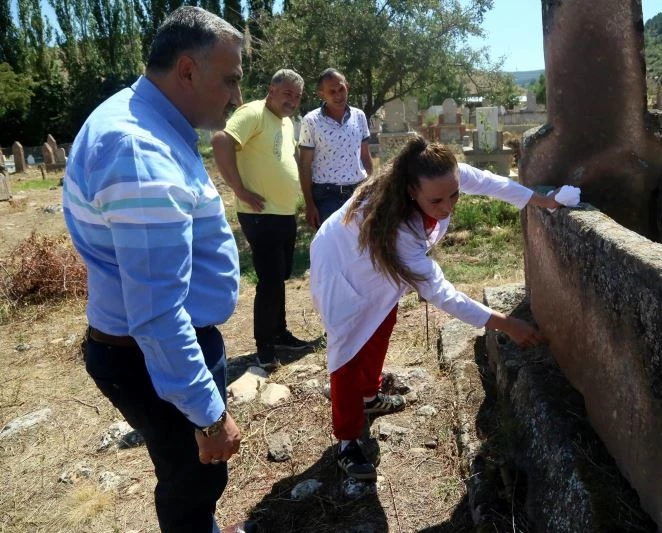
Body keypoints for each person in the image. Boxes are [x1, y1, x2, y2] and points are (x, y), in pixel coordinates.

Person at [62, 7, 243, 532]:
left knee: (192, 479)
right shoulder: (140, 152)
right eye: (230, 79)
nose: (236, 96)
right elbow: (158, 311)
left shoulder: (142, 122)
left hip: (149, 348)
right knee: (193, 480)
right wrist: (209, 415)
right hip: (150, 353)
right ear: (187, 70)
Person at [310, 136, 570, 481]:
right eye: (436, 200)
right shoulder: (400, 230)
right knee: (348, 351)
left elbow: (490, 182)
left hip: (375, 262)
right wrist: (505, 323)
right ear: (411, 192)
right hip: (340, 267)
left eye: (454, 195)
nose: (448, 207)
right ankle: (347, 441)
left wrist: (541, 200)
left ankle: (370, 395)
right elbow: (442, 294)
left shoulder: (444, 177)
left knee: (382, 322)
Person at [212, 69, 313, 365]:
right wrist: (238, 188)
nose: (292, 101)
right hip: (260, 215)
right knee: (269, 281)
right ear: (272, 90)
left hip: (283, 212)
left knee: (279, 278)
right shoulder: (253, 112)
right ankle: (265, 349)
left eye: (297, 96)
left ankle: (279, 333)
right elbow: (220, 140)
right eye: (287, 93)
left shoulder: (286, 122)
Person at [298, 68, 373, 229]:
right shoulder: (311, 121)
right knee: (332, 242)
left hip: (359, 192)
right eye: (332, 91)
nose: (338, 95)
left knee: (361, 240)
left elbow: (365, 156)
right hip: (327, 196)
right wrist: (309, 204)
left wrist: (373, 190)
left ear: (347, 86)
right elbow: (305, 164)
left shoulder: (359, 116)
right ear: (321, 94)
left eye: (341, 89)